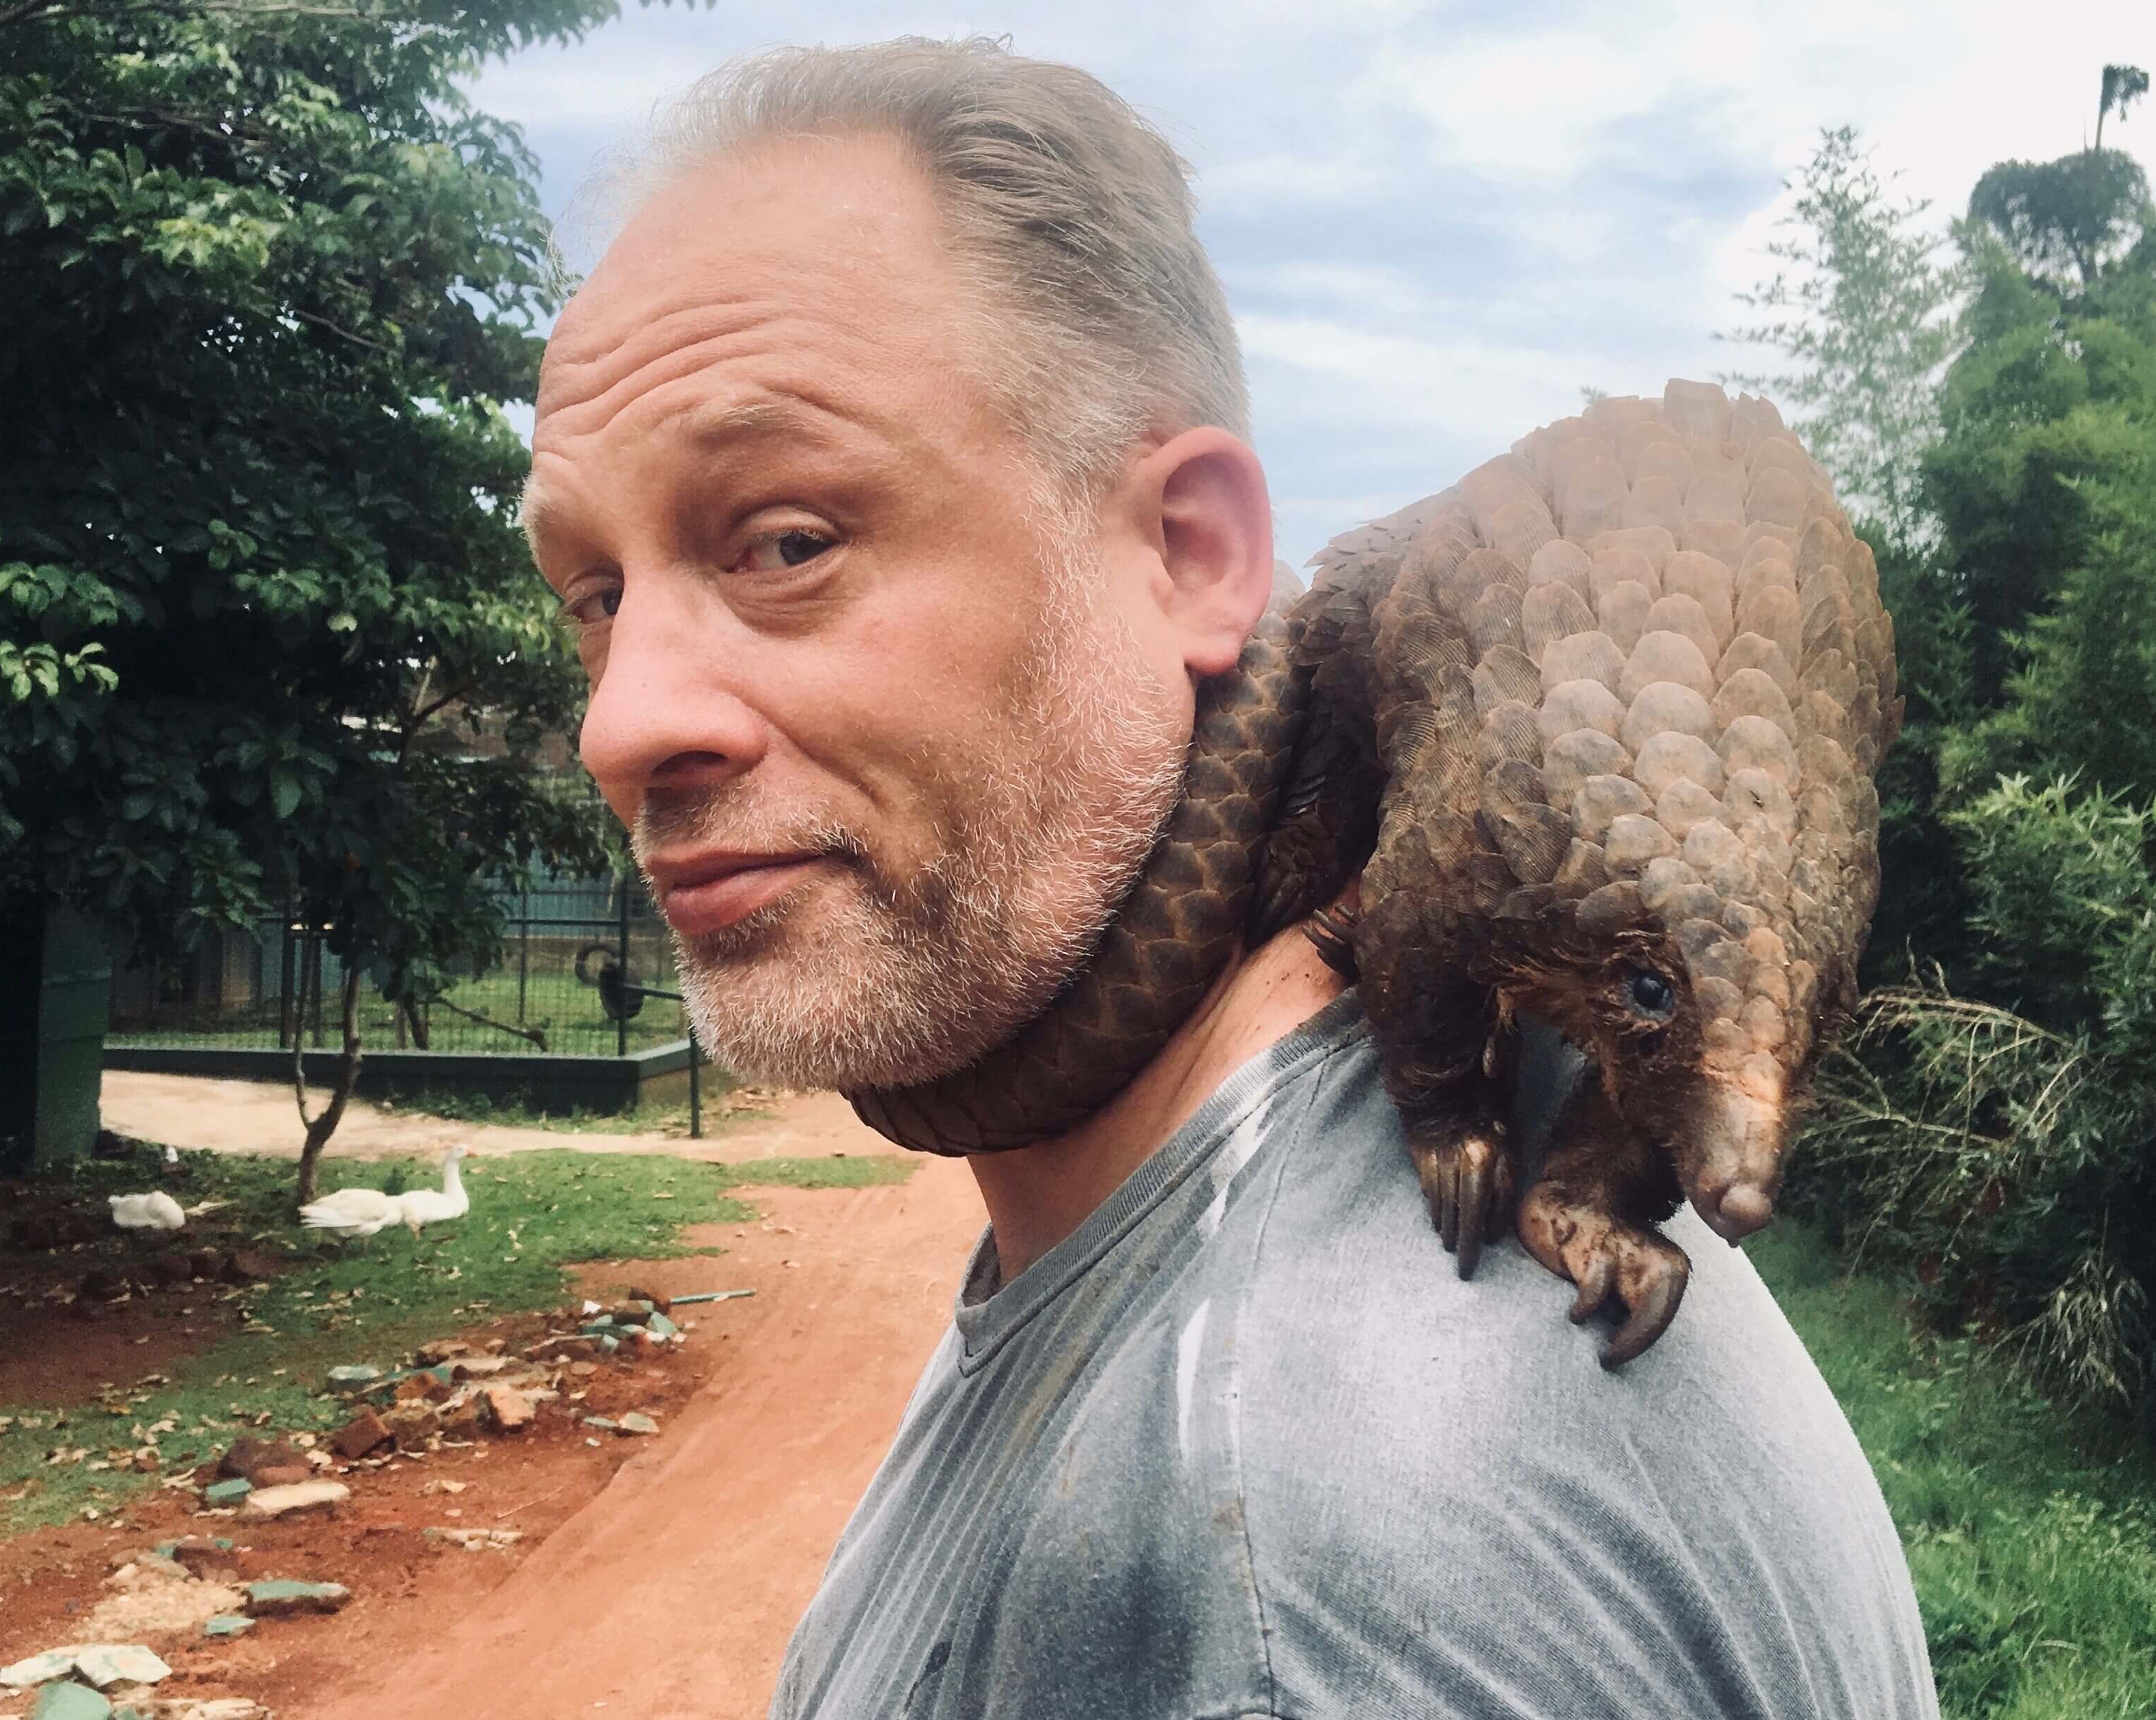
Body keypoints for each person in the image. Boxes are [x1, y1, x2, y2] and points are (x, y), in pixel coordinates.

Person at [521, 36, 1941, 1720]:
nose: (623, 722)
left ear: (1191, 553)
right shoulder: (1151, 1241)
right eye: (597, 591)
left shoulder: (1325, 1546)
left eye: (787, 540)